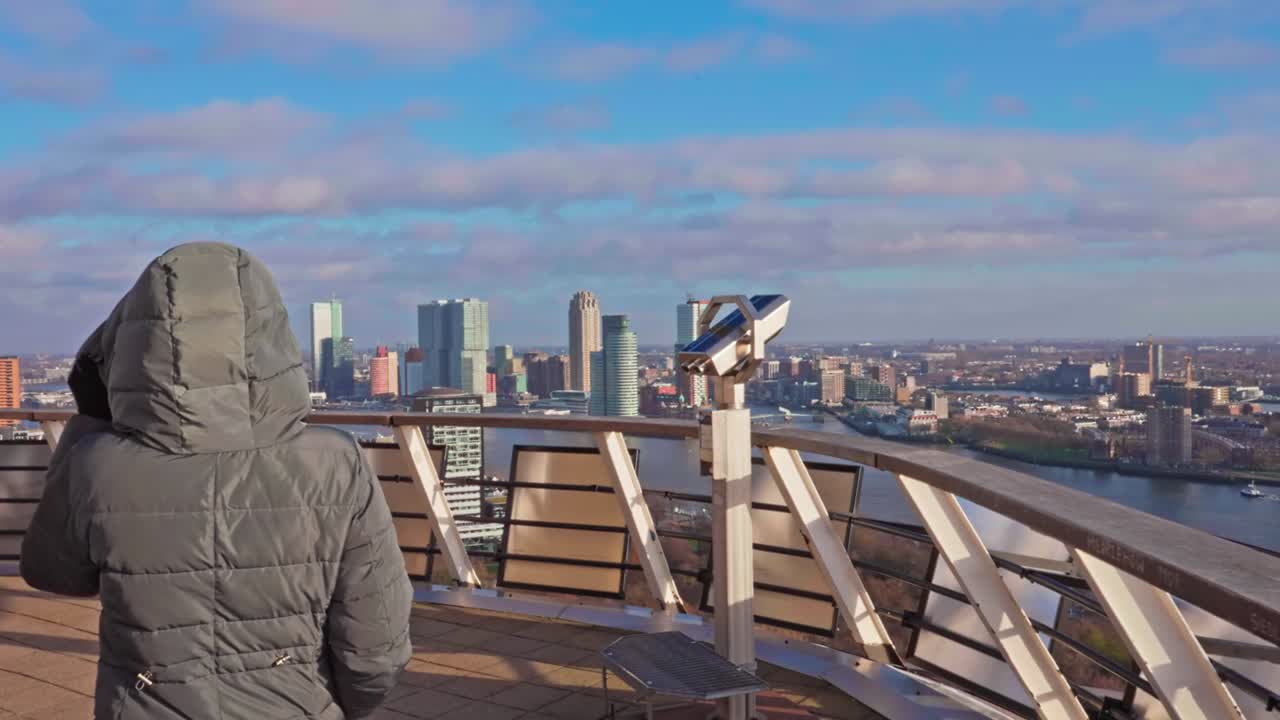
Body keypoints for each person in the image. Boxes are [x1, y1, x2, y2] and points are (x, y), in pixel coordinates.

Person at [20, 242, 412, 719]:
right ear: (270, 338)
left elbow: (52, 573)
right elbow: (377, 638)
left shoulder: (97, 464)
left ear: (135, 345)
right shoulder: (334, 462)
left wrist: (90, 419)